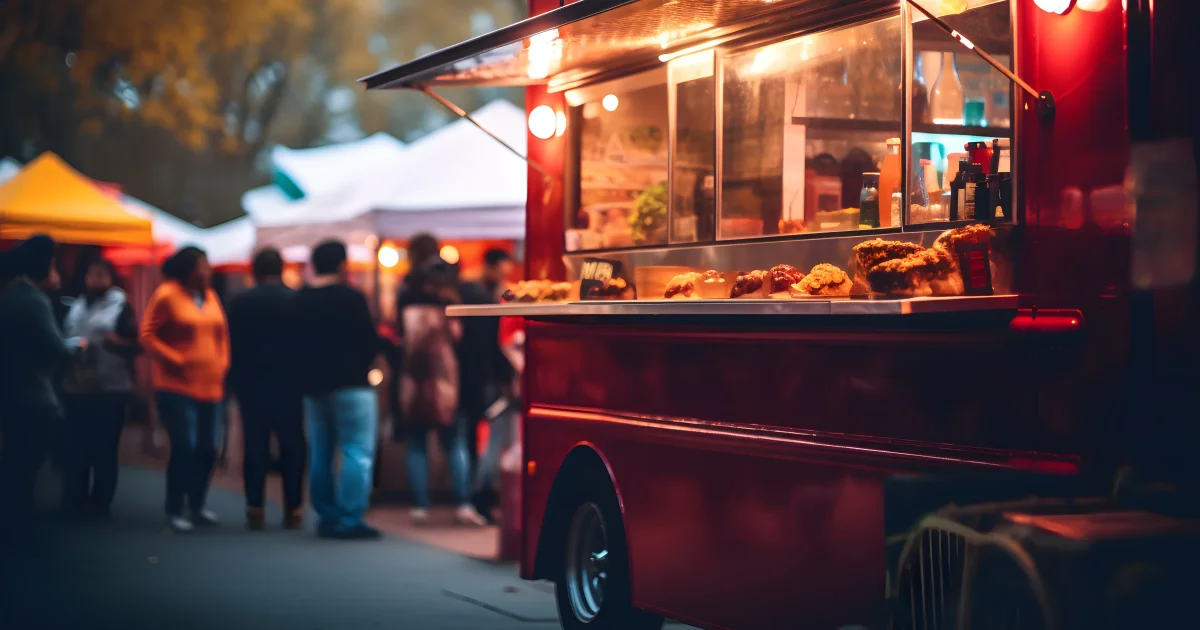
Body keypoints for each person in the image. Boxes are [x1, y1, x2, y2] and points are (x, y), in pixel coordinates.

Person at [294, 240, 381, 540]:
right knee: (356, 450)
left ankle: (326, 515)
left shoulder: (300, 298)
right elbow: (369, 340)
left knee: (320, 451)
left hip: (314, 386)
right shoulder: (351, 298)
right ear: (342, 265)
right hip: (352, 384)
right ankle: (350, 517)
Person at [140, 246, 229, 533]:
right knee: (185, 445)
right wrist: (175, 359)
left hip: (211, 385)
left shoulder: (211, 297)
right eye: (204, 265)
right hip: (176, 385)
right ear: (190, 269)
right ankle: (175, 507)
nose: (209, 270)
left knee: (208, 447)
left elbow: (221, 334)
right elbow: (147, 334)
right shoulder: (167, 295)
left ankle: (197, 504)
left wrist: (222, 363)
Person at [0, 235, 85, 536]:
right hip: (33, 394)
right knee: (26, 462)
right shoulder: (33, 300)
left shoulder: (9, 294)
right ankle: (17, 520)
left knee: (14, 456)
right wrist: (77, 344)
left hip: (11, 390)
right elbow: (57, 347)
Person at [397, 252, 487, 526]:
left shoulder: (407, 301)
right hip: (446, 381)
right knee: (455, 442)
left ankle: (420, 504)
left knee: (417, 444)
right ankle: (462, 502)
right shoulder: (452, 302)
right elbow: (460, 339)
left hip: (413, 378)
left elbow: (398, 337)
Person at [227, 248, 305, 530]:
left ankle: (255, 505)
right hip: (290, 382)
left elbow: (231, 345)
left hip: (251, 382)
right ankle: (293, 506)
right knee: (292, 445)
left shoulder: (240, 302)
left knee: (255, 444)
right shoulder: (296, 300)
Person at [60, 257, 141, 517]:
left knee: (104, 447)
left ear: (110, 278)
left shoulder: (121, 305)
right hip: (77, 386)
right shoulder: (76, 305)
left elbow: (136, 344)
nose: (95, 280)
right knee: (75, 445)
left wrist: (115, 342)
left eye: (101, 275)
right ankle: (75, 496)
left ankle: (100, 500)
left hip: (111, 387)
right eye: (91, 274)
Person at [456, 249, 515, 518]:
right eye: (502, 267)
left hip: (472, 374)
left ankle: (477, 495)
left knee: (479, 437)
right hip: (490, 376)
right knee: (493, 438)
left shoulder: (471, 292)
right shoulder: (488, 296)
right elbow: (497, 343)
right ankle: (481, 495)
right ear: (491, 266)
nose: (505, 273)